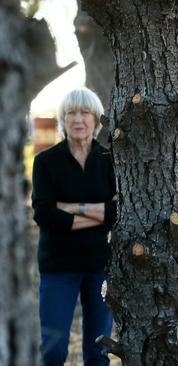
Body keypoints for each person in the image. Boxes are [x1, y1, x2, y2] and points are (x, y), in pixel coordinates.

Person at [32, 88, 115, 366]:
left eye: (85, 113)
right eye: (71, 113)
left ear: (96, 120)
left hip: (100, 266)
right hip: (58, 267)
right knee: (53, 351)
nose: (78, 119)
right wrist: (99, 214)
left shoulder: (109, 160)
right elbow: (45, 214)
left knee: (98, 352)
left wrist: (73, 207)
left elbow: (120, 212)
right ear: (62, 119)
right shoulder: (46, 162)